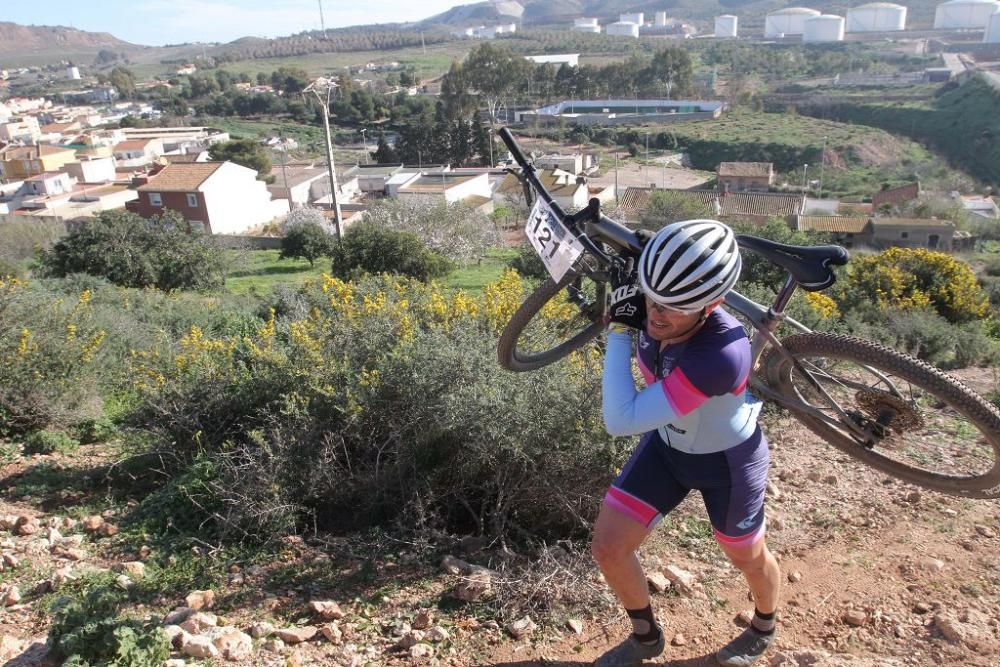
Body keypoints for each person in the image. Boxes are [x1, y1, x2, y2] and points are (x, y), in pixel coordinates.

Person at [592, 220, 781, 667]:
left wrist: (619, 331)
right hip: (668, 448)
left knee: (746, 556)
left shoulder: (722, 355)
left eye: (675, 307)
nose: (656, 313)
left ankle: (764, 624)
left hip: (728, 463)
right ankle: (645, 638)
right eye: (652, 298)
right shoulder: (659, 295)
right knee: (608, 547)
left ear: (712, 304)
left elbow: (621, 420)